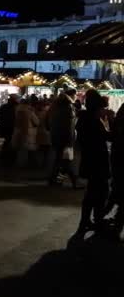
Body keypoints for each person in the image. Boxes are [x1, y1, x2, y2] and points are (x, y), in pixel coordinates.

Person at [76, 90, 111, 234]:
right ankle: (97, 220)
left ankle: (86, 221)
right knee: (100, 191)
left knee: (92, 191)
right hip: (97, 160)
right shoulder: (93, 120)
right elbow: (107, 137)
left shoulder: (84, 118)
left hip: (89, 159)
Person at [48, 89, 78, 188]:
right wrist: (69, 141)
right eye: (75, 95)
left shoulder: (56, 106)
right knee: (66, 162)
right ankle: (72, 181)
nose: (76, 97)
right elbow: (69, 126)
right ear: (71, 95)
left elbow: (47, 121)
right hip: (65, 138)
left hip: (57, 136)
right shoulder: (68, 107)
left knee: (60, 160)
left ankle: (56, 180)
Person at [106, 104, 124, 238]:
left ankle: (103, 215)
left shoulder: (121, 112)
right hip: (119, 156)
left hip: (118, 155)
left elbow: (114, 134)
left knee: (117, 188)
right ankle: (116, 225)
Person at [12, 99, 39, 166]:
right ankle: (30, 163)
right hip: (28, 132)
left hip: (18, 131)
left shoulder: (16, 110)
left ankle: (17, 162)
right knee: (29, 149)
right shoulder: (29, 111)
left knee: (18, 147)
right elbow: (37, 122)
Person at [0, 94, 18, 165]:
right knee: (11, 141)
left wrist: (2, 122)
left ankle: (4, 155)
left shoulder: (4, 107)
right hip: (12, 126)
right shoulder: (16, 107)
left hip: (5, 126)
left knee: (7, 140)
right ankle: (10, 156)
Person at [35, 100, 52, 166]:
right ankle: (45, 163)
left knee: (39, 149)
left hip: (38, 132)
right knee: (46, 150)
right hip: (47, 133)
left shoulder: (35, 112)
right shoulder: (49, 112)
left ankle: (39, 163)